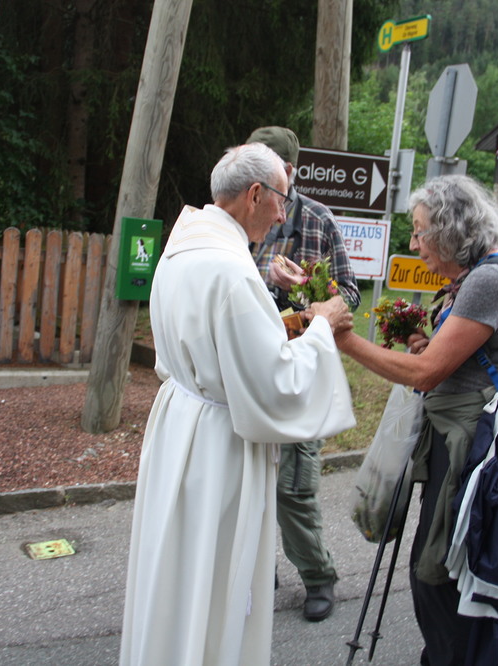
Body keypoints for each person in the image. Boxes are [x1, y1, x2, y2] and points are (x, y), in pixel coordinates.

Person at [118, 143, 356, 666]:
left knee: (178, 567)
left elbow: (227, 345)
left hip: (180, 424)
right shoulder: (232, 271)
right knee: (214, 572)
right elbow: (273, 382)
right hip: (219, 445)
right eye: (281, 201)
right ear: (255, 194)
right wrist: (321, 326)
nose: (283, 215)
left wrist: (290, 322)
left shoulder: (181, 250)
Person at [336, 175, 498, 665]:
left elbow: (426, 373)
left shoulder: (489, 280)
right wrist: (429, 345)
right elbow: (452, 360)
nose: (414, 243)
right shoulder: (476, 276)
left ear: (451, 229)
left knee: (447, 583)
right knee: (440, 575)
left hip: (479, 455)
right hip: (465, 446)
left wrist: (343, 338)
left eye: (420, 230)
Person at [245, 125, 360, 621]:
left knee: (293, 487)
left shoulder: (317, 219)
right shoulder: (236, 215)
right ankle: (257, 572)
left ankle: (317, 577)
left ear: (290, 170)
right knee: (247, 481)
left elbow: (349, 295)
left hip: (301, 372)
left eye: (271, 166)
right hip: (250, 370)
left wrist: (305, 291)